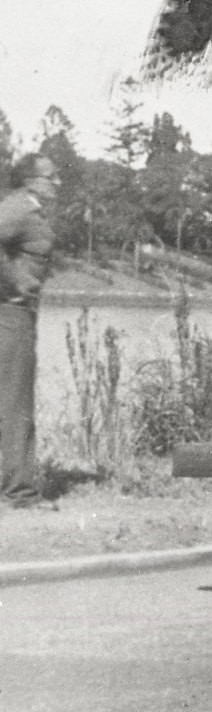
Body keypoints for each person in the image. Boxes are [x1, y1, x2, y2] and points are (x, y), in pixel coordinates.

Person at [0, 153, 59, 510]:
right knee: (16, 403)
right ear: (31, 180)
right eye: (51, 177)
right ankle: (20, 493)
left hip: (13, 314)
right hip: (12, 315)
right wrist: (13, 284)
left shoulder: (24, 208)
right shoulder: (18, 208)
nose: (57, 182)